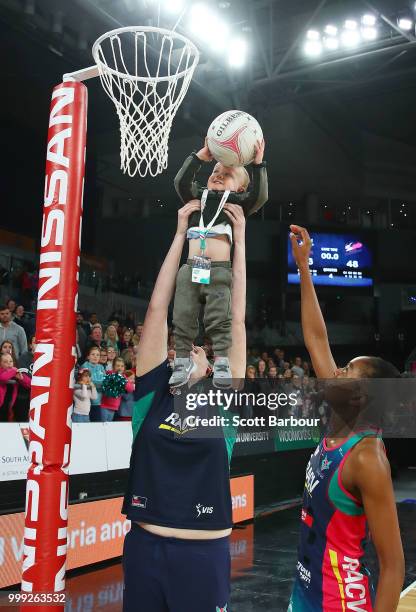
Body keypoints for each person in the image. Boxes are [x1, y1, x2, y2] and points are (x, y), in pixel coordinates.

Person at [122, 202, 247, 612]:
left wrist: (240, 242)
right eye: (185, 348)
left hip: (202, 557)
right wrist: (179, 235)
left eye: (202, 351)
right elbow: (157, 311)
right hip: (144, 550)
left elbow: (236, 320)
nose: (192, 350)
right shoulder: (153, 395)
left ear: (212, 366)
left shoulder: (222, 402)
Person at [287, 225, 405, 612]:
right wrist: (304, 266)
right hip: (306, 594)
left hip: (340, 602)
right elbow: (316, 340)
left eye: (346, 370)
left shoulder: (367, 458)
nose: (335, 372)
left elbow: (392, 566)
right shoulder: (342, 417)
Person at [169, 137, 266, 388]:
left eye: (228, 174)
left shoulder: (237, 205)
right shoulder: (199, 197)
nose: (219, 175)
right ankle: (181, 362)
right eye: (215, 171)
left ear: (241, 189)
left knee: (219, 317)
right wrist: (200, 157)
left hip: (219, 271)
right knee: (182, 314)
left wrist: (258, 165)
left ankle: (222, 362)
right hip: (191, 267)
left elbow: (260, 195)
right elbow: (180, 182)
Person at [0, 352, 31, 422]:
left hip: (9, 407)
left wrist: (22, 378)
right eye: (5, 362)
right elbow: (3, 378)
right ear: (0, 364)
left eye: (11, 361)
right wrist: (14, 370)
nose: (9, 363)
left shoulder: (15, 373)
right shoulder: (11, 371)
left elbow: (29, 384)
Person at [100, 357, 130, 422]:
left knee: (109, 426)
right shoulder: (109, 374)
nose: (120, 368)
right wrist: (118, 378)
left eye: (122, 366)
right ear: (113, 366)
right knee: (103, 426)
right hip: (104, 406)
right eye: (118, 366)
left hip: (114, 407)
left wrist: (122, 380)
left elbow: (130, 388)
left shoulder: (124, 377)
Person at [81, 346, 106, 421]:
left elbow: (105, 382)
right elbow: (87, 383)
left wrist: (95, 384)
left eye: (97, 355)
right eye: (93, 354)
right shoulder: (84, 366)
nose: (95, 356)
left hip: (98, 402)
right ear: (88, 356)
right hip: (87, 403)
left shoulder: (101, 367)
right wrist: (100, 384)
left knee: (97, 425)